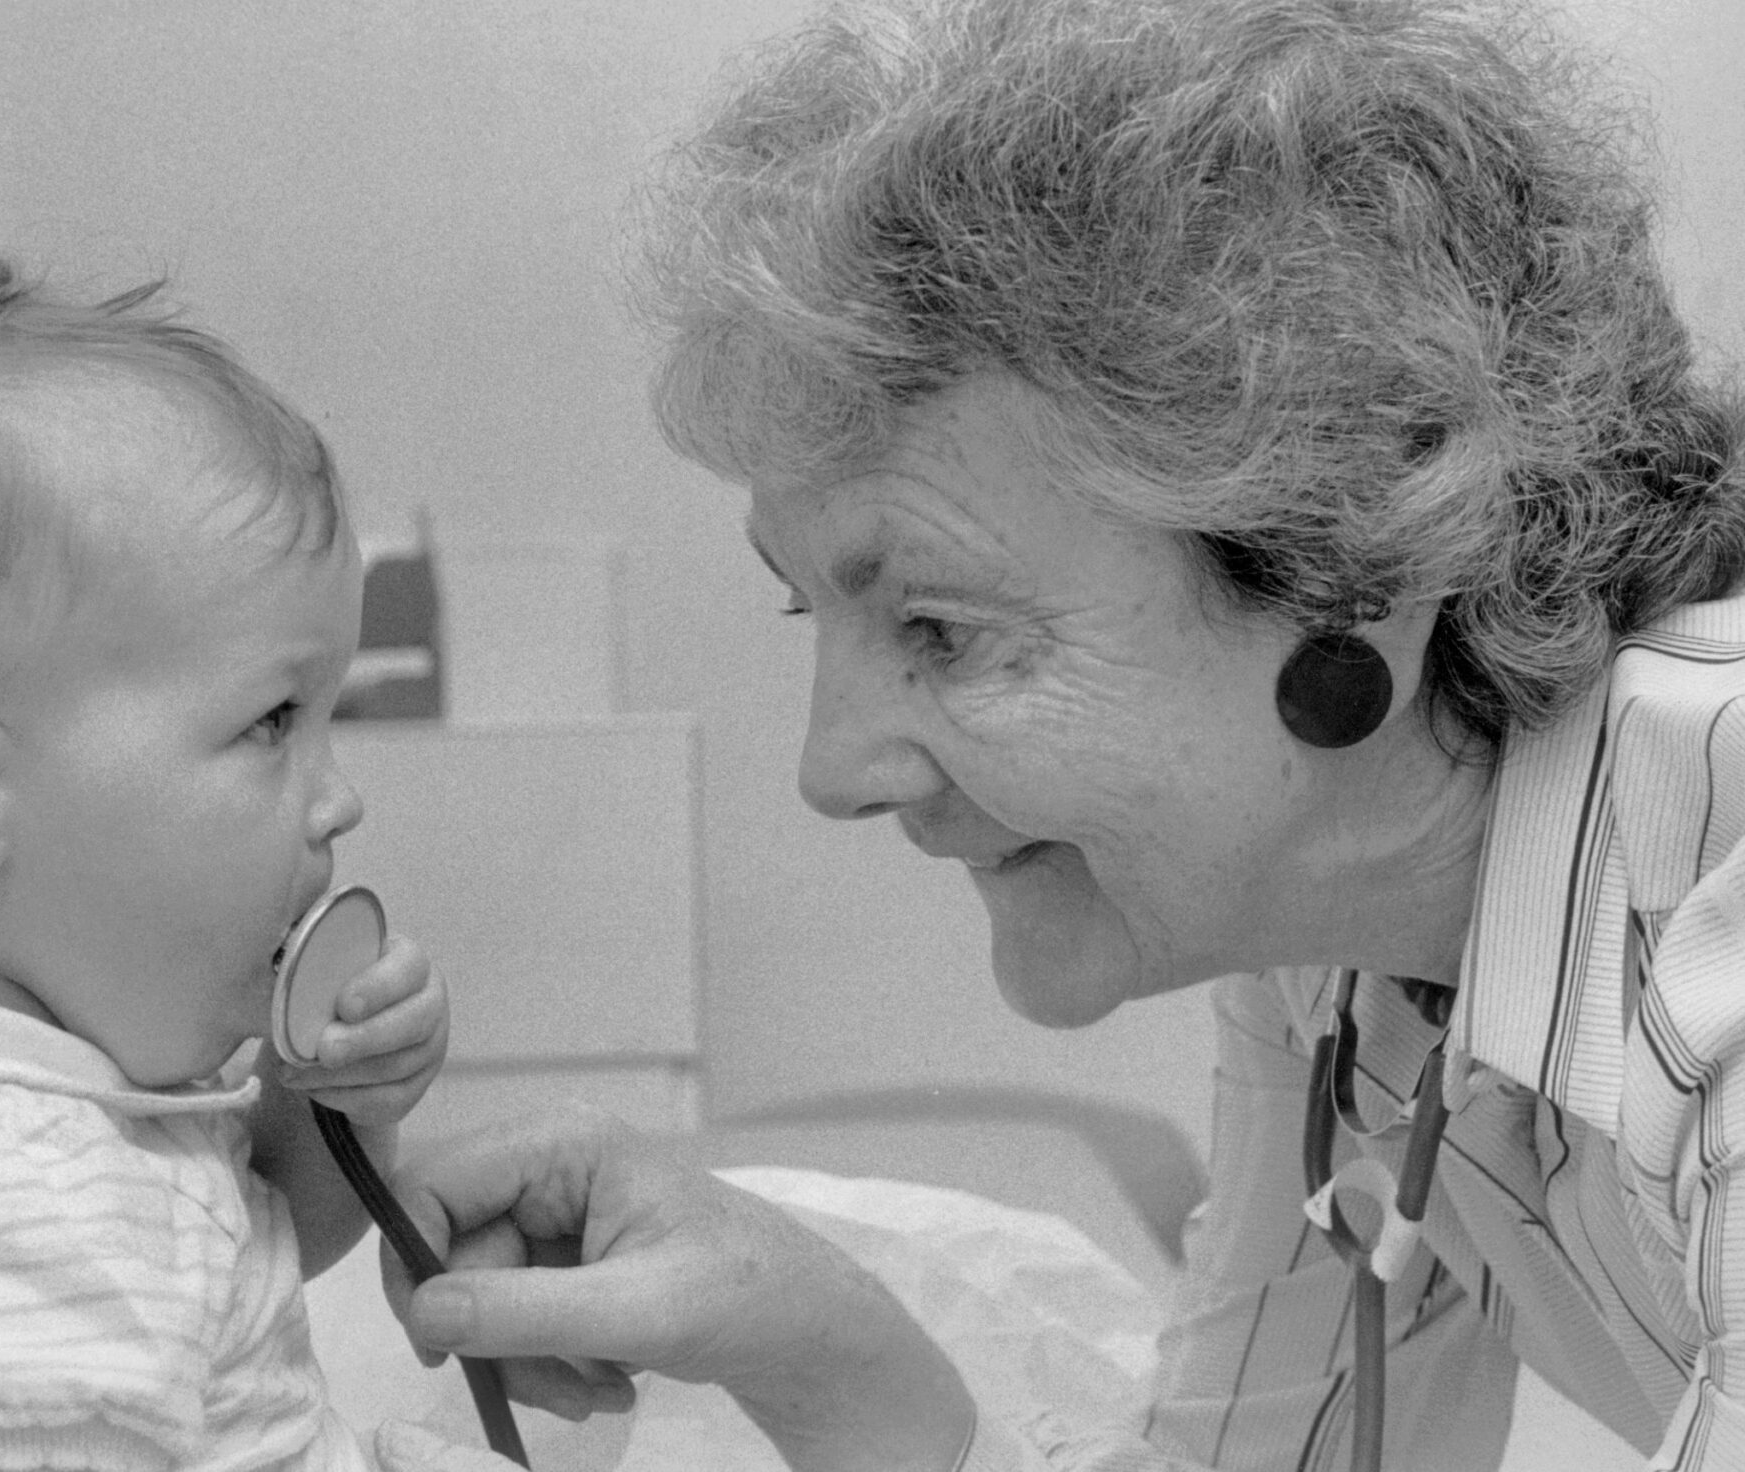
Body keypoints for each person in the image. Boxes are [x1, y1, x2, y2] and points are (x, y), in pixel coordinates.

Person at [379, 0, 1745, 1468]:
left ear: (1360, 581)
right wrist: (829, 1351)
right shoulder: (1336, 921)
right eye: (807, 617)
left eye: (942, 630)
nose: (829, 771)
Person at [0, 260, 458, 1470]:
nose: (338, 797)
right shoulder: (3, 1213)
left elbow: (239, 1255)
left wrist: (323, 1106)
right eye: (271, 722)